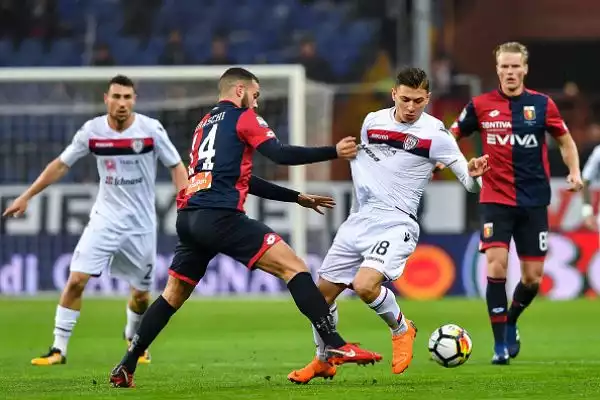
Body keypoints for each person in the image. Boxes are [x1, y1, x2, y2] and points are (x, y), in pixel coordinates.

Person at [109, 67, 382, 388]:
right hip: (221, 216)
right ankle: (334, 341)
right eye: (256, 95)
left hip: (189, 217)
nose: (257, 103)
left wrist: (296, 197)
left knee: (172, 295)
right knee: (294, 268)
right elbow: (278, 153)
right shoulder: (244, 117)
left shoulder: (203, 125)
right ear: (240, 90)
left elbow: (242, 178)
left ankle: (126, 365)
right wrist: (332, 151)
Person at [287, 67, 490, 384]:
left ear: (428, 99)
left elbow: (467, 181)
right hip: (358, 220)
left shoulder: (437, 135)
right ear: (394, 93)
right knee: (319, 299)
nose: (411, 107)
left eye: (419, 101)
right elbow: (372, 162)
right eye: (406, 99)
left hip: (396, 222)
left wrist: (474, 176)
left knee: (365, 285)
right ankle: (324, 359)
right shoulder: (372, 121)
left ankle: (402, 329)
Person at [2, 75, 189, 366]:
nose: (122, 103)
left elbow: (176, 165)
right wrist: (27, 196)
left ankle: (133, 337)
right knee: (76, 279)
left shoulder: (150, 130)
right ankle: (58, 349)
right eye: (117, 96)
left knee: (141, 296)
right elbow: (61, 165)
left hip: (141, 225)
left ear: (134, 100)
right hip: (104, 220)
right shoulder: (93, 131)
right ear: (106, 99)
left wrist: (185, 202)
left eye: (128, 97)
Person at [449, 42, 583, 364]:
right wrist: (463, 165)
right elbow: (449, 136)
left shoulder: (542, 105)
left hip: (534, 201)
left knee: (532, 279)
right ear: (497, 69)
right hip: (495, 198)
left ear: (525, 69)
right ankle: (499, 346)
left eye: (515, 67)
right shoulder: (480, 105)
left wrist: (575, 171)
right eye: (504, 67)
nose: (509, 72)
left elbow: (565, 140)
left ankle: (510, 321)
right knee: (495, 266)